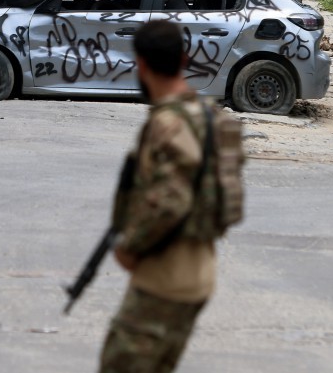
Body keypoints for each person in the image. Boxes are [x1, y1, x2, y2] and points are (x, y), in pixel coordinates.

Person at [98, 20, 239, 373]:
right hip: (199, 273)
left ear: (141, 65)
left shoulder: (168, 123)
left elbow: (170, 200)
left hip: (163, 278)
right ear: (184, 58)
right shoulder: (210, 115)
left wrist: (130, 247)